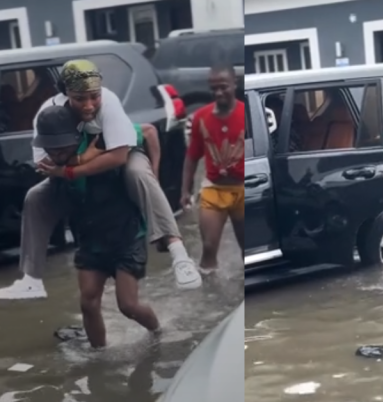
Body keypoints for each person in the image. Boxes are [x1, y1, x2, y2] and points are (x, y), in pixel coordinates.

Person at [0, 59, 202, 300]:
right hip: (80, 168)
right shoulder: (48, 116)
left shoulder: (109, 103)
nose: (89, 105)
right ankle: (31, 279)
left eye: (93, 96)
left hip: (124, 154)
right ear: (65, 94)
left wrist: (72, 168)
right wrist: (83, 157)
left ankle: (179, 254)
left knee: (137, 173)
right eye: (80, 98)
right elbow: (46, 164)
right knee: (35, 197)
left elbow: (118, 156)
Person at [34, 104, 160, 348]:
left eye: (61, 146)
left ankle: (158, 333)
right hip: (90, 239)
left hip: (126, 235)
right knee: (88, 303)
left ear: (75, 135)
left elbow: (149, 131)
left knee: (128, 305)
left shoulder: (102, 141)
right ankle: (99, 357)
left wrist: (153, 173)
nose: (56, 153)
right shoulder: (52, 165)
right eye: (51, 147)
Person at [182, 65, 244, 271]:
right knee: (208, 248)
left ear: (235, 84)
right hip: (213, 190)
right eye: (213, 88)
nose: (218, 93)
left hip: (243, 189)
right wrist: (185, 191)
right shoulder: (201, 117)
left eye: (223, 87)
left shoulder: (247, 113)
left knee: (248, 248)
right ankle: (210, 294)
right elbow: (191, 157)